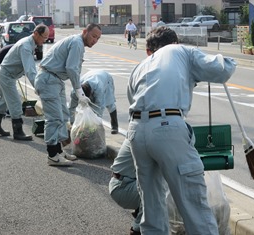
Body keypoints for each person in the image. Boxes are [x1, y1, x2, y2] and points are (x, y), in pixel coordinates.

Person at [126, 26, 236, 234]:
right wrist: (224, 59)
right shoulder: (181, 51)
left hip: (137, 131)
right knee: (193, 200)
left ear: (151, 49)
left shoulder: (140, 66)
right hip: (166, 128)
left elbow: (132, 98)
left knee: (151, 201)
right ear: (174, 42)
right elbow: (222, 69)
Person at [34, 23, 102, 166]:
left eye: (98, 38)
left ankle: (58, 151)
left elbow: (72, 68)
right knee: (55, 118)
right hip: (49, 79)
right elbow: (71, 68)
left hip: (55, 80)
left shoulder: (77, 42)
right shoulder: (77, 43)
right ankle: (52, 155)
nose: (95, 40)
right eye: (93, 36)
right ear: (85, 32)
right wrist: (79, 90)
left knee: (63, 115)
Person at [0, 24, 49, 141]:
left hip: (6, 73)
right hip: (7, 75)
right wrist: (39, 88)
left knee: (4, 100)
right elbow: (30, 71)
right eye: (44, 37)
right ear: (36, 34)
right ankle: (18, 132)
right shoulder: (26, 46)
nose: (45, 40)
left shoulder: (29, 43)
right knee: (15, 101)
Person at [109, 138, 143, 235]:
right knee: (159, 188)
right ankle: (138, 229)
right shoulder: (141, 137)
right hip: (122, 187)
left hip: (127, 183)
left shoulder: (144, 130)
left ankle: (141, 211)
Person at [69, 69, 119, 134]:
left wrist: (95, 125)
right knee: (89, 108)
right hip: (91, 75)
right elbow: (71, 108)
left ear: (91, 93)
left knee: (110, 104)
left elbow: (99, 108)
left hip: (105, 79)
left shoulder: (99, 88)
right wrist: (72, 123)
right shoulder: (75, 91)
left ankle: (114, 125)